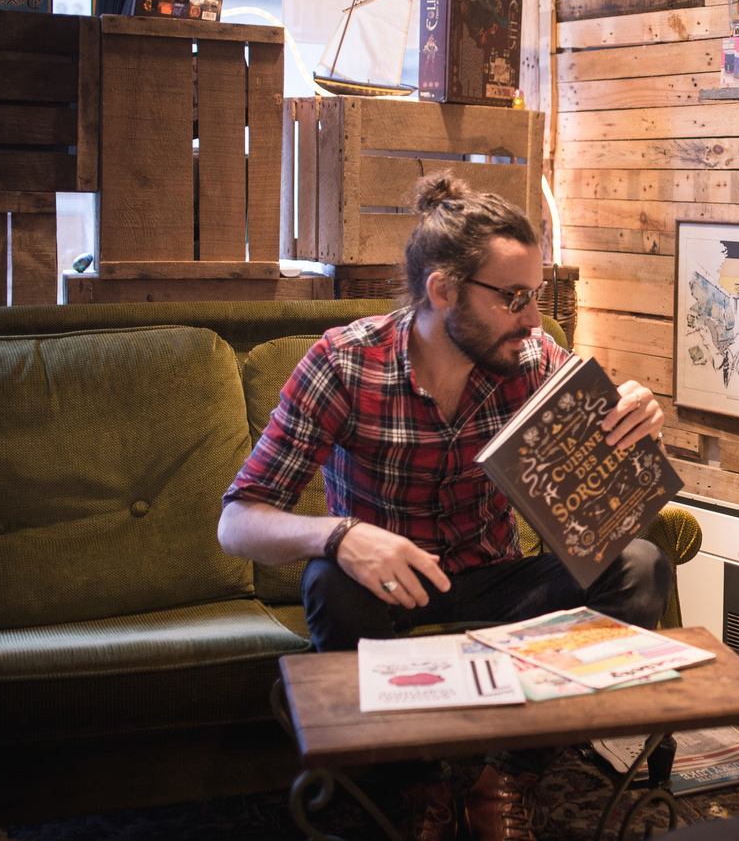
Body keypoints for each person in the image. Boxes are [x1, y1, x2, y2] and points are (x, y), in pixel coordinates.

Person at [218, 174, 671, 841]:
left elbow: (603, 483)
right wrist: (342, 537)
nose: (532, 318)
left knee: (638, 566)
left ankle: (510, 776)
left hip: (494, 578)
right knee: (330, 584)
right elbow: (238, 521)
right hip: (390, 584)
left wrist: (639, 423)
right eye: (513, 298)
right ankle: (416, 782)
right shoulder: (345, 365)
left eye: (535, 296)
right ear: (443, 291)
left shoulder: (531, 360)